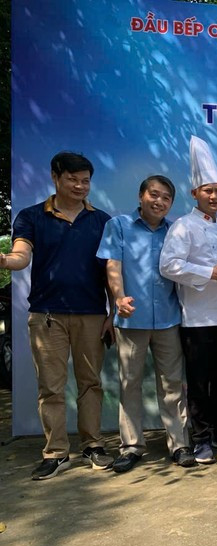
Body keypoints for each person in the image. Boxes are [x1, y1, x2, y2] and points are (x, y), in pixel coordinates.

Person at [1, 152, 114, 479]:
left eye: (85, 181)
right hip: (47, 315)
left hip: (92, 314)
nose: (80, 186)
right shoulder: (32, 216)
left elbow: (110, 270)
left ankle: (93, 445)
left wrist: (111, 312)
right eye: (72, 179)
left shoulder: (101, 220)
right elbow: (21, 255)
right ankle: (56, 452)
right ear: (55, 177)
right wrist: (6, 261)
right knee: (50, 386)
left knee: (91, 383)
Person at [97, 175, 195, 472]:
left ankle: (179, 444)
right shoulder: (118, 226)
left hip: (168, 318)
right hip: (131, 319)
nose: (159, 201)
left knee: (172, 384)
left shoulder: (175, 230)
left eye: (166, 197)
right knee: (130, 384)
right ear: (141, 196)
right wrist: (118, 297)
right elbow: (113, 265)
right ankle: (131, 446)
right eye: (154, 194)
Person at [159, 136, 217, 465]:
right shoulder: (183, 226)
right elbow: (168, 265)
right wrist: (209, 272)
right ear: (195, 193)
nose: (214, 196)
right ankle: (201, 438)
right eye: (208, 190)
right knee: (199, 382)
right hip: (196, 318)